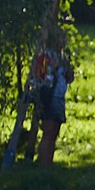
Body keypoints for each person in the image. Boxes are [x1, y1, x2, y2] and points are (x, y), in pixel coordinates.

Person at [23, 39, 75, 167]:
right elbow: (40, 76)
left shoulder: (62, 57)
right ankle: (43, 163)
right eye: (61, 37)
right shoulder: (45, 56)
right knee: (48, 129)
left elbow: (69, 78)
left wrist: (68, 68)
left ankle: (48, 162)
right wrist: (54, 68)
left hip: (59, 97)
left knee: (55, 131)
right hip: (49, 97)